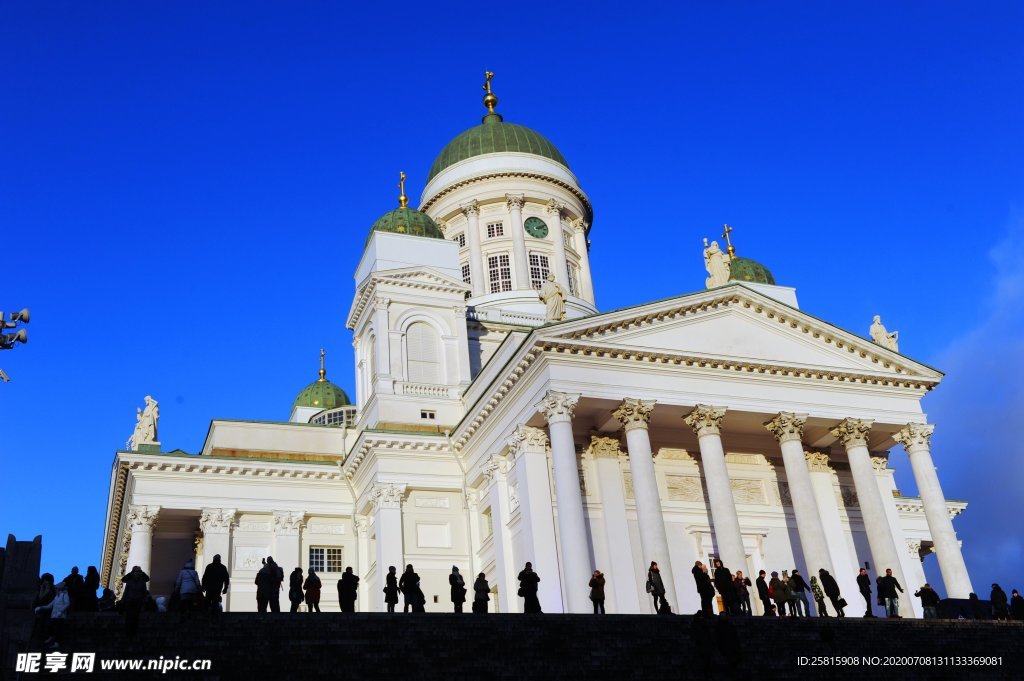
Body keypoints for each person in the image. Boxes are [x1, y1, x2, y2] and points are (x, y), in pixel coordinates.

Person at [35, 581, 71, 649]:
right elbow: (49, 606)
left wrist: (61, 611)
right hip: (54, 615)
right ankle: (51, 638)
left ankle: (57, 643)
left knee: (58, 629)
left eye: (56, 589)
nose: (55, 590)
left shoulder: (64, 595)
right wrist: (40, 608)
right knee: (52, 627)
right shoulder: (56, 597)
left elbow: (67, 604)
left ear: (59, 589)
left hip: (60, 616)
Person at [121, 566, 150, 637]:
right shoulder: (129, 581)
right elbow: (123, 581)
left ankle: (133, 632)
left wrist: (144, 601)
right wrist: (123, 600)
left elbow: (147, 580)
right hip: (130, 601)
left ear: (140, 573)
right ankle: (128, 632)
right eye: (135, 572)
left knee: (135, 617)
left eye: (138, 572)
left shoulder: (142, 581)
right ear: (133, 573)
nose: (136, 573)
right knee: (129, 617)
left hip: (138, 601)